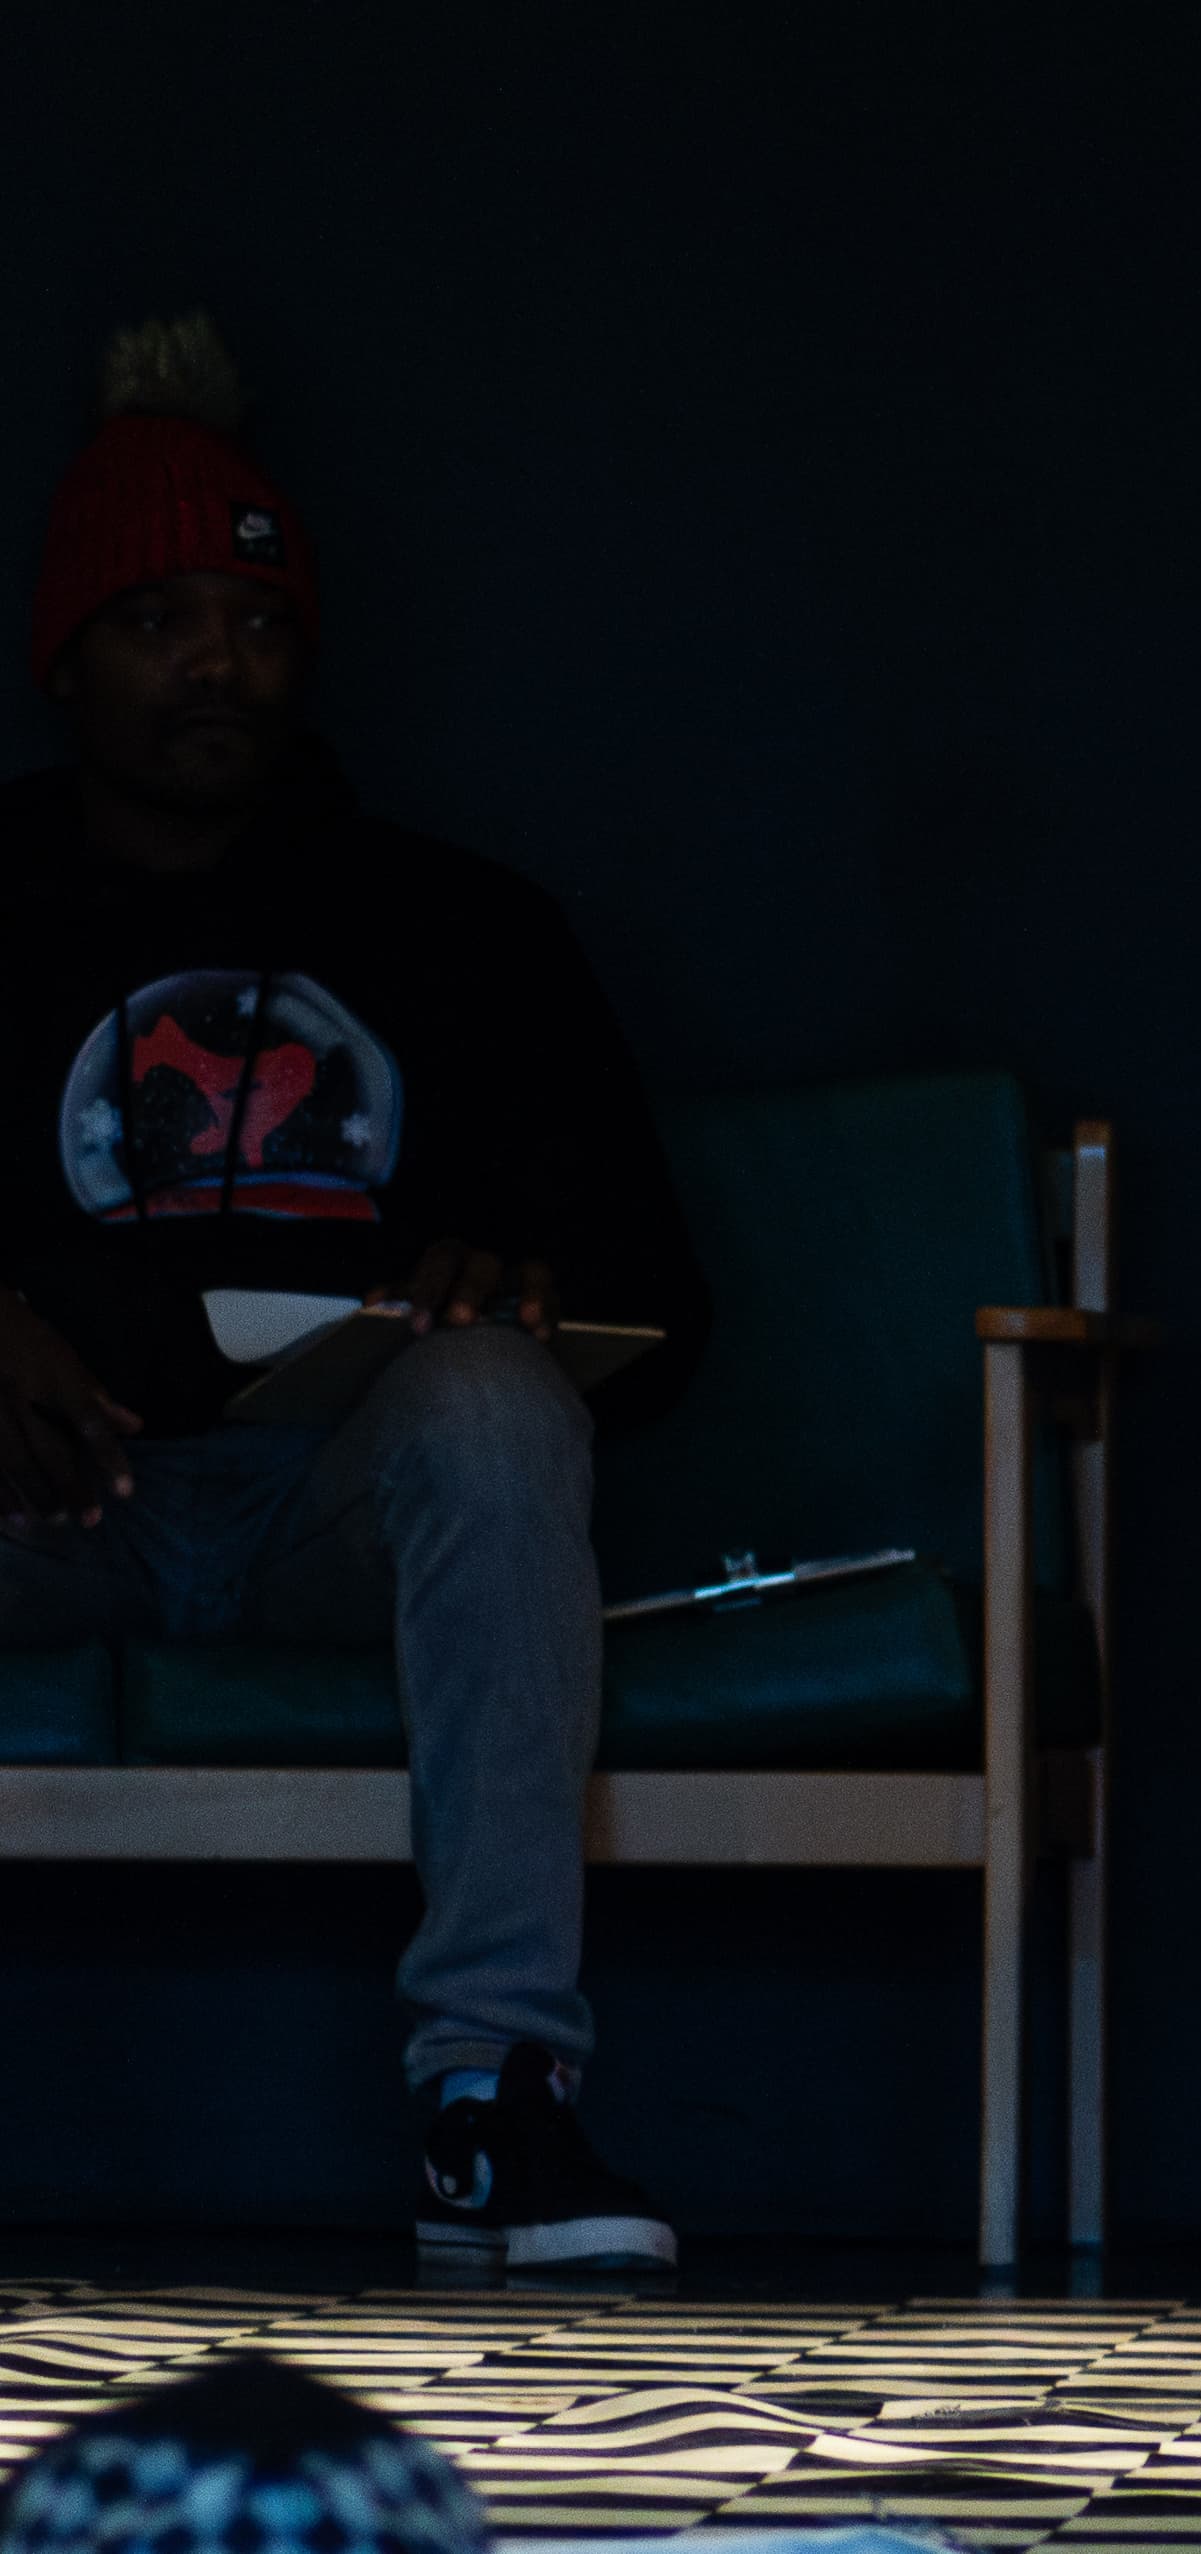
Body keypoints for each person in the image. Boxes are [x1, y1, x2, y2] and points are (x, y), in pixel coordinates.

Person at [0, 317, 703, 2271]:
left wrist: (518, 1299)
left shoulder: (465, 926)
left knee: (494, 1394)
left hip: (337, 1507)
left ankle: (495, 2095)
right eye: (157, 619)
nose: (214, 661)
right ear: (65, 656)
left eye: (255, 620)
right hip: (46, 1504)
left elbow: (667, 1306)